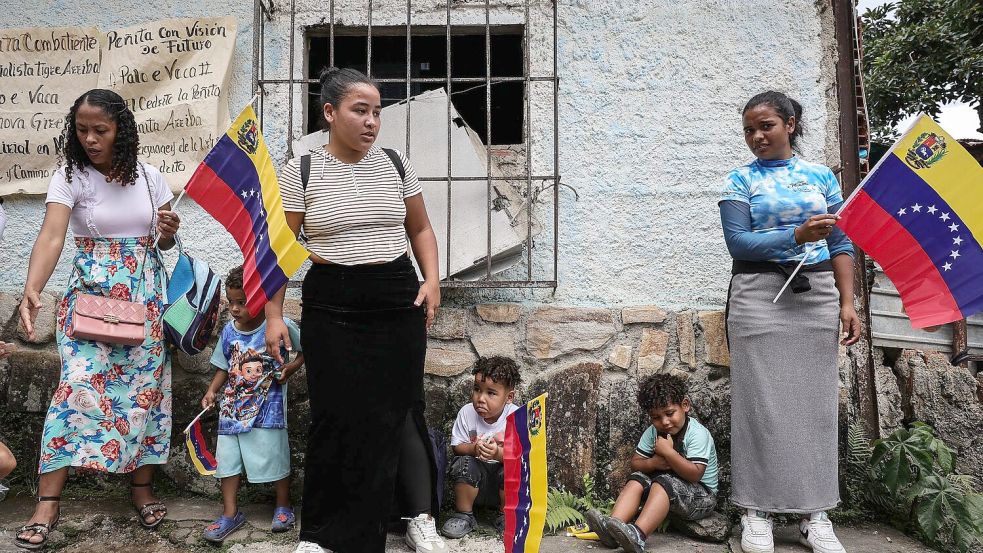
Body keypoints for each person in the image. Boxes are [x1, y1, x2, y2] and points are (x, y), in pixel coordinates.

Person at [265, 67, 444, 553]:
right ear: (330, 112)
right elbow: (280, 250)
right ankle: (320, 535)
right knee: (334, 416)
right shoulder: (301, 170)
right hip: (332, 302)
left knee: (402, 410)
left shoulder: (396, 163)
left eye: (377, 112)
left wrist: (431, 281)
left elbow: (420, 229)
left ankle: (417, 516)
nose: (371, 122)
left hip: (395, 299)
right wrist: (274, 315)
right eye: (360, 110)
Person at [15, 89, 181, 549]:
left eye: (100, 130)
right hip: (90, 301)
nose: (89, 139)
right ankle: (48, 503)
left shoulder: (151, 178)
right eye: (82, 130)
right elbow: (52, 235)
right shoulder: (70, 176)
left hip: (146, 300)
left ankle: (142, 489)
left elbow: (164, 242)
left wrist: (168, 233)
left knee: (146, 394)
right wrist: (33, 287)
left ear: (120, 131)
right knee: (75, 387)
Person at [718, 91, 860, 553]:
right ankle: (755, 512)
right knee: (758, 403)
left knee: (814, 407)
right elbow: (739, 243)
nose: (757, 136)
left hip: (815, 295)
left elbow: (841, 244)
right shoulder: (740, 180)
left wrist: (847, 303)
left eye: (766, 126)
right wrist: (796, 234)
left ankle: (814, 515)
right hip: (757, 295)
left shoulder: (821, 177)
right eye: (749, 130)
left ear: (790, 125)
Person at [200, 266, 304, 543]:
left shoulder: (278, 326)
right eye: (231, 302)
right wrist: (212, 391)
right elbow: (224, 366)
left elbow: (305, 350)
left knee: (275, 455)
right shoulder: (228, 332)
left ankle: (283, 505)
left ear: (259, 299)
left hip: (267, 410)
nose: (235, 309)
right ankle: (230, 513)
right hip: (231, 410)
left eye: (242, 302)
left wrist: (291, 368)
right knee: (227, 461)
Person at [586, 373, 718, 553]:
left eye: (669, 413)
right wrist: (654, 463)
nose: (664, 422)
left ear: (685, 405)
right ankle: (613, 527)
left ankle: (638, 536)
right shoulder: (653, 432)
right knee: (638, 478)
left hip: (702, 497)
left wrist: (668, 453)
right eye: (656, 417)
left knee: (664, 482)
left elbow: (695, 474)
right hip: (670, 491)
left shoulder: (697, 433)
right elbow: (636, 463)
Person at [441, 357, 521, 539]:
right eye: (477, 389)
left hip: (502, 488)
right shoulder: (467, 413)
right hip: (473, 483)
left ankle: (506, 515)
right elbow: (457, 447)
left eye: (491, 393)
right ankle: (464, 515)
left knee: (515, 467)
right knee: (463, 462)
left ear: (509, 397)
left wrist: (498, 453)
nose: (480, 398)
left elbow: (520, 455)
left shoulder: (516, 416)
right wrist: (473, 449)